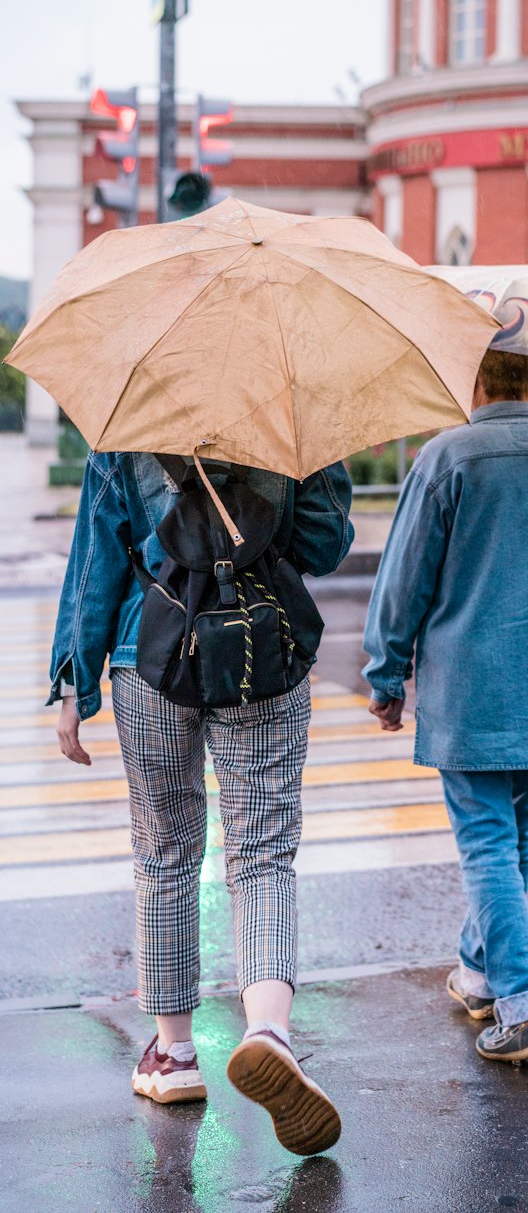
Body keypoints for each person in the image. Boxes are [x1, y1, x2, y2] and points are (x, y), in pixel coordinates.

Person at [51, 450, 353, 1156]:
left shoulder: (129, 424)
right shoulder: (291, 417)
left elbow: (97, 557)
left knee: (164, 852)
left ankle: (175, 1054)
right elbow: (326, 543)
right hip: (261, 653)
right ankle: (269, 1029)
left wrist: (75, 684)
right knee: (263, 852)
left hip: (149, 653)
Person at [362, 351, 528, 1063]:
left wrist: (386, 674)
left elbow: (404, 580)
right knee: (510, 837)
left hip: (472, 689)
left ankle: (522, 1002)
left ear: (473, 380)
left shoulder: (447, 457)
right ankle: (479, 974)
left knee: (485, 841)